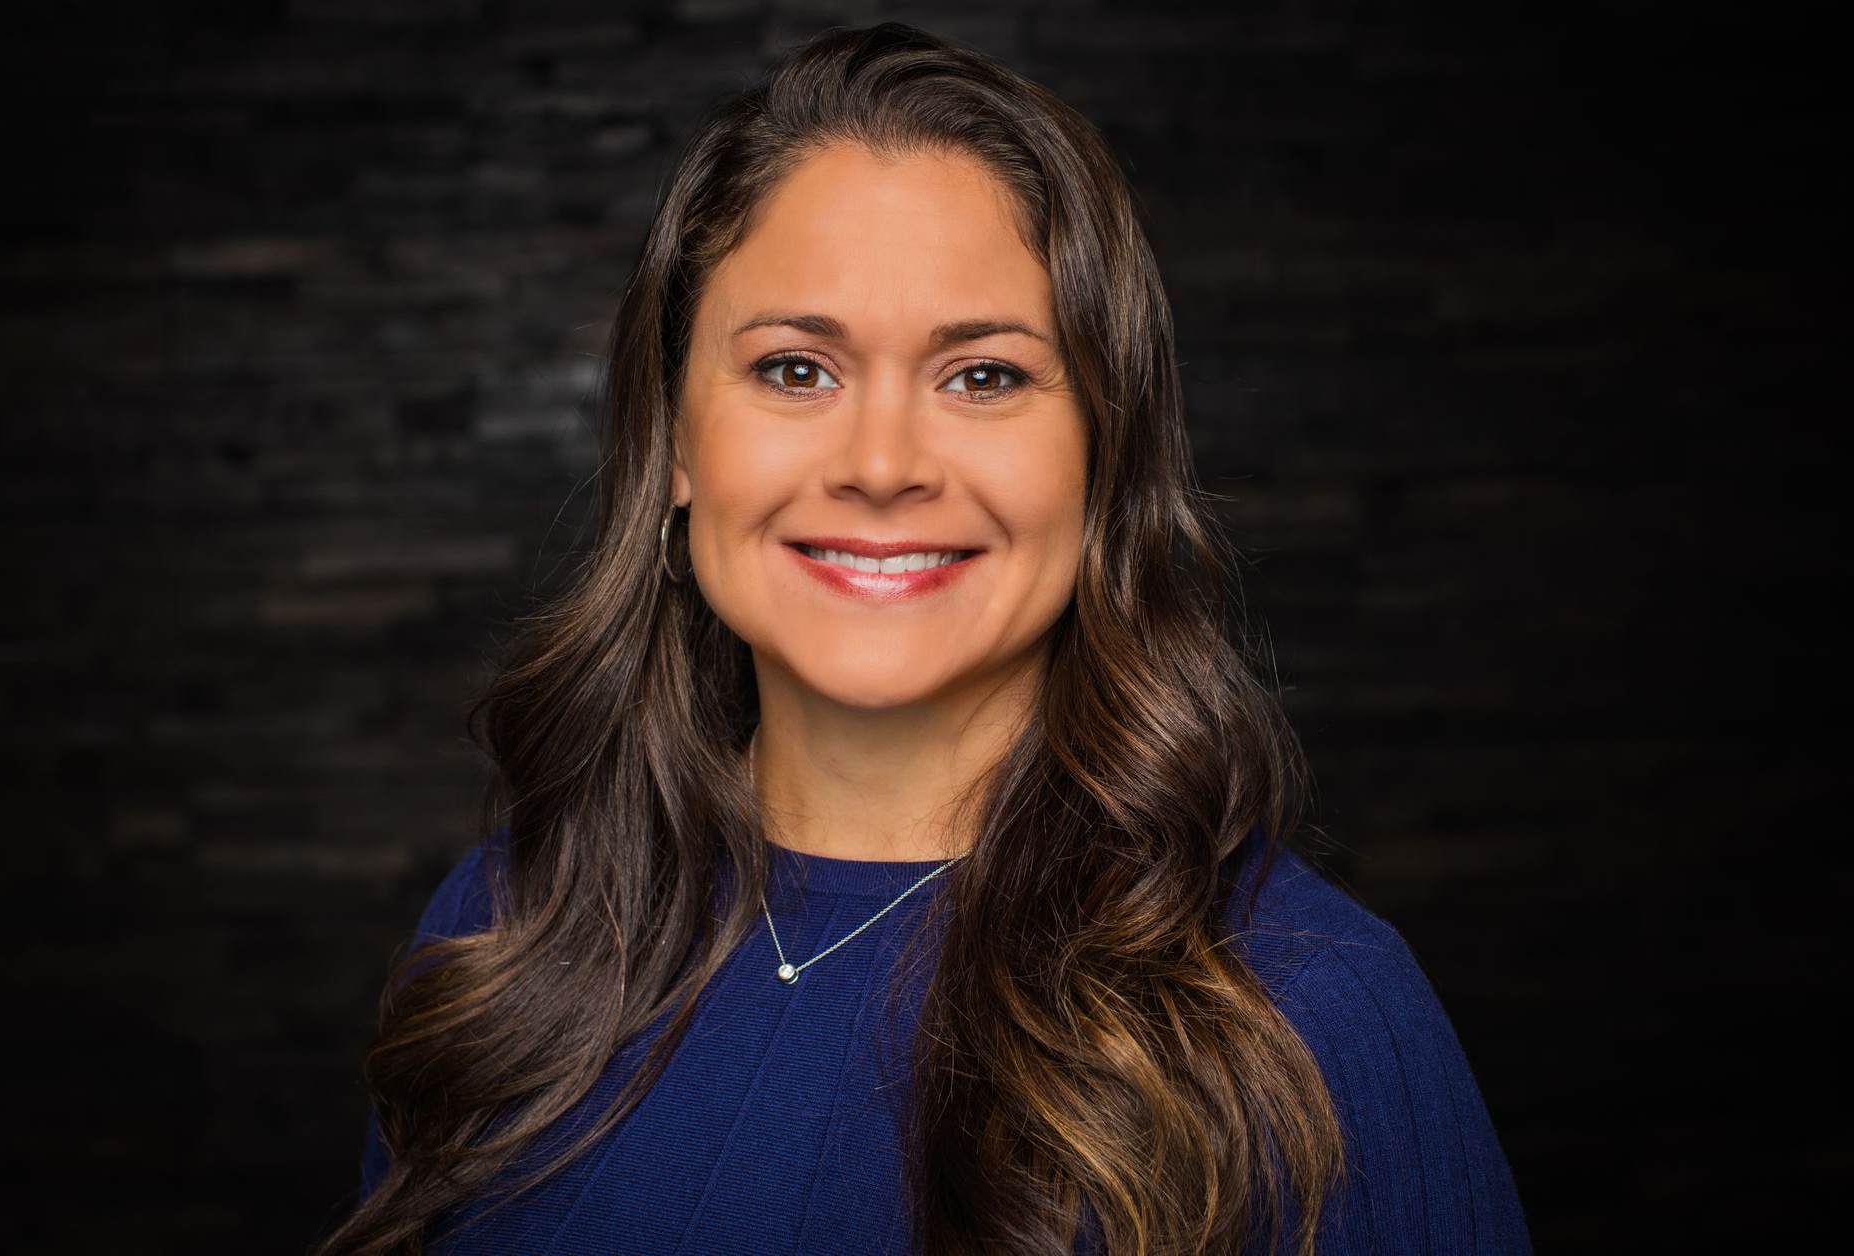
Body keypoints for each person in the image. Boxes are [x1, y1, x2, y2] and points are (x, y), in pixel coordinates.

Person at [318, 22, 1532, 1256]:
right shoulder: (502, 938)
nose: (883, 464)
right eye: (796, 370)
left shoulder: (1313, 1013)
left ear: (1104, 454)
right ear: (677, 439)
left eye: (983, 376)